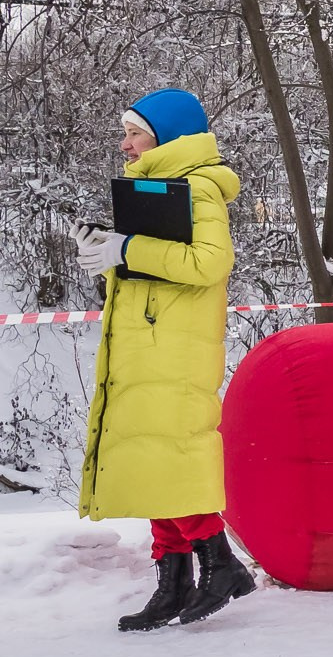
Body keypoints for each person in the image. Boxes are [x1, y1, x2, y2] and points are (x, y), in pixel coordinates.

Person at [78, 87, 259, 629]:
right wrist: (107, 254)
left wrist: (127, 249)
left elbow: (208, 263)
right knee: (153, 460)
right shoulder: (153, 190)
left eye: (134, 132)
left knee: (172, 458)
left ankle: (220, 564)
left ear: (165, 137)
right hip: (146, 345)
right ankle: (174, 582)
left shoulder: (198, 190)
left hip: (175, 350)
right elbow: (158, 272)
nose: (125, 143)